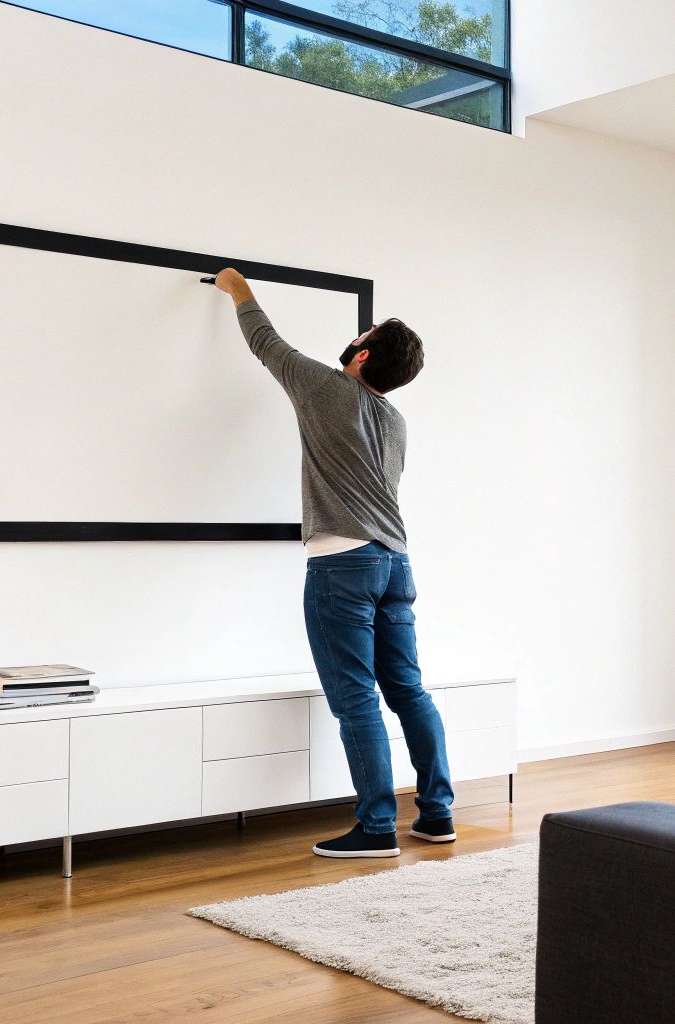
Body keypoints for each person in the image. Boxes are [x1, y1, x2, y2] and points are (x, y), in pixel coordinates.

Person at [211, 268, 454, 858]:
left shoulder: (324, 388)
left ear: (362, 353)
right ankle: (436, 815)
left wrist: (236, 287)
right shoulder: (395, 420)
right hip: (396, 563)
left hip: (343, 564)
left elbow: (265, 341)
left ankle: (375, 829)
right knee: (409, 691)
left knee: (356, 700)